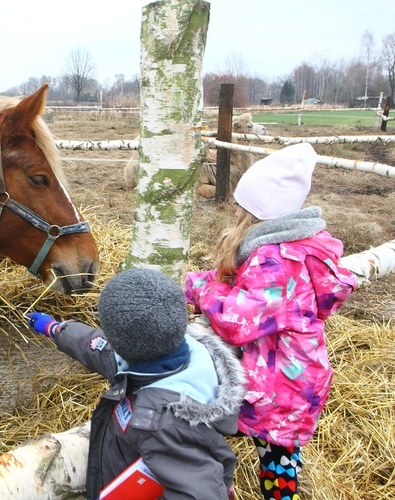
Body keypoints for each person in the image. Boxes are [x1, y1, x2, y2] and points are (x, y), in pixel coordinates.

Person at [184, 143, 357, 500]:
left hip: (280, 388)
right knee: (280, 458)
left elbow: (236, 321)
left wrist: (199, 287)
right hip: (293, 377)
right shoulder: (300, 249)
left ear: (257, 215)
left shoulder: (275, 260)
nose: (234, 214)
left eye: (240, 208)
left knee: (276, 465)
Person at [27, 267, 246, 500]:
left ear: (122, 342)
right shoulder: (181, 352)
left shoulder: (161, 423)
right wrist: (56, 329)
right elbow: (97, 347)